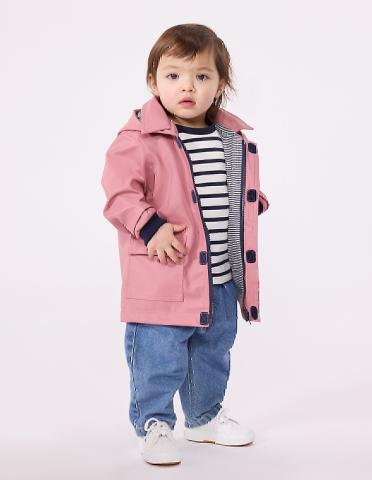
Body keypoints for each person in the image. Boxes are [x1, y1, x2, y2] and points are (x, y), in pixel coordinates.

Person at [100, 23, 270, 466]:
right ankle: (154, 425)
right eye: (174, 75)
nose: (187, 86)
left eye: (202, 76)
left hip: (219, 278)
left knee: (212, 354)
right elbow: (119, 194)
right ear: (153, 82)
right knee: (157, 356)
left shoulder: (230, 139)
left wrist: (252, 202)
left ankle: (203, 417)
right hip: (164, 279)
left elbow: (233, 188)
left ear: (220, 84)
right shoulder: (138, 139)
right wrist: (150, 225)